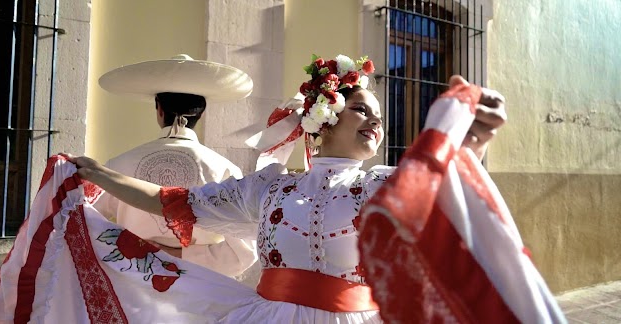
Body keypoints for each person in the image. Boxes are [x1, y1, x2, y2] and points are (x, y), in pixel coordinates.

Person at [62, 54, 523, 323]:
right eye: (363, 109)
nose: (377, 120)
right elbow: (174, 204)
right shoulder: (271, 190)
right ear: (324, 116)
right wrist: (96, 173)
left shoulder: (383, 185)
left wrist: (476, 136)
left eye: (378, 114)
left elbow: (442, 186)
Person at [94, 54, 258, 278]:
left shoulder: (118, 165)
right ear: (201, 113)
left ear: (159, 110)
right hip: (199, 286)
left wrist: (129, 251)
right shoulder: (225, 170)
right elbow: (244, 253)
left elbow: (83, 219)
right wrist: (184, 256)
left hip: (130, 282)